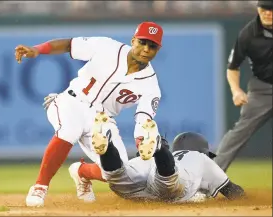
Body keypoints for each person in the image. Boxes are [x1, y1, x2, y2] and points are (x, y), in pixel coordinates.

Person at [14, 21, 164, 207]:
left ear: (157, 50)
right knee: (69, 130)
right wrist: (37, 49)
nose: (146, 49)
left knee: (119, 172)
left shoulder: (151, 85)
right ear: (133, 40)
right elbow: (69, 44)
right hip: (73, 101)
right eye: (142, 42)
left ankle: (81, 172)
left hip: (102, 118)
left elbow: (143, 118)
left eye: (152, 46)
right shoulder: (107, 46)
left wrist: (141, 139)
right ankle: (40, 186)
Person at [68, 115, 245, 203]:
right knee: (168, 182)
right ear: (201, 150)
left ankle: (107, 147)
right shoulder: (200, 158)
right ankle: (159, 148)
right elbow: (233, 192)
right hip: (168, 182)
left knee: (117, 175)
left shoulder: (148, 157)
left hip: (139, 176)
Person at [214, 0, 272, 172]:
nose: (268, 13)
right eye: (265, 9)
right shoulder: (249, 33)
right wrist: (236, 90)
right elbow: (233, 67)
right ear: (258, 10)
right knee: (239, 132)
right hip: (262, 89)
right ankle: (210, 178)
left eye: (272, 9)